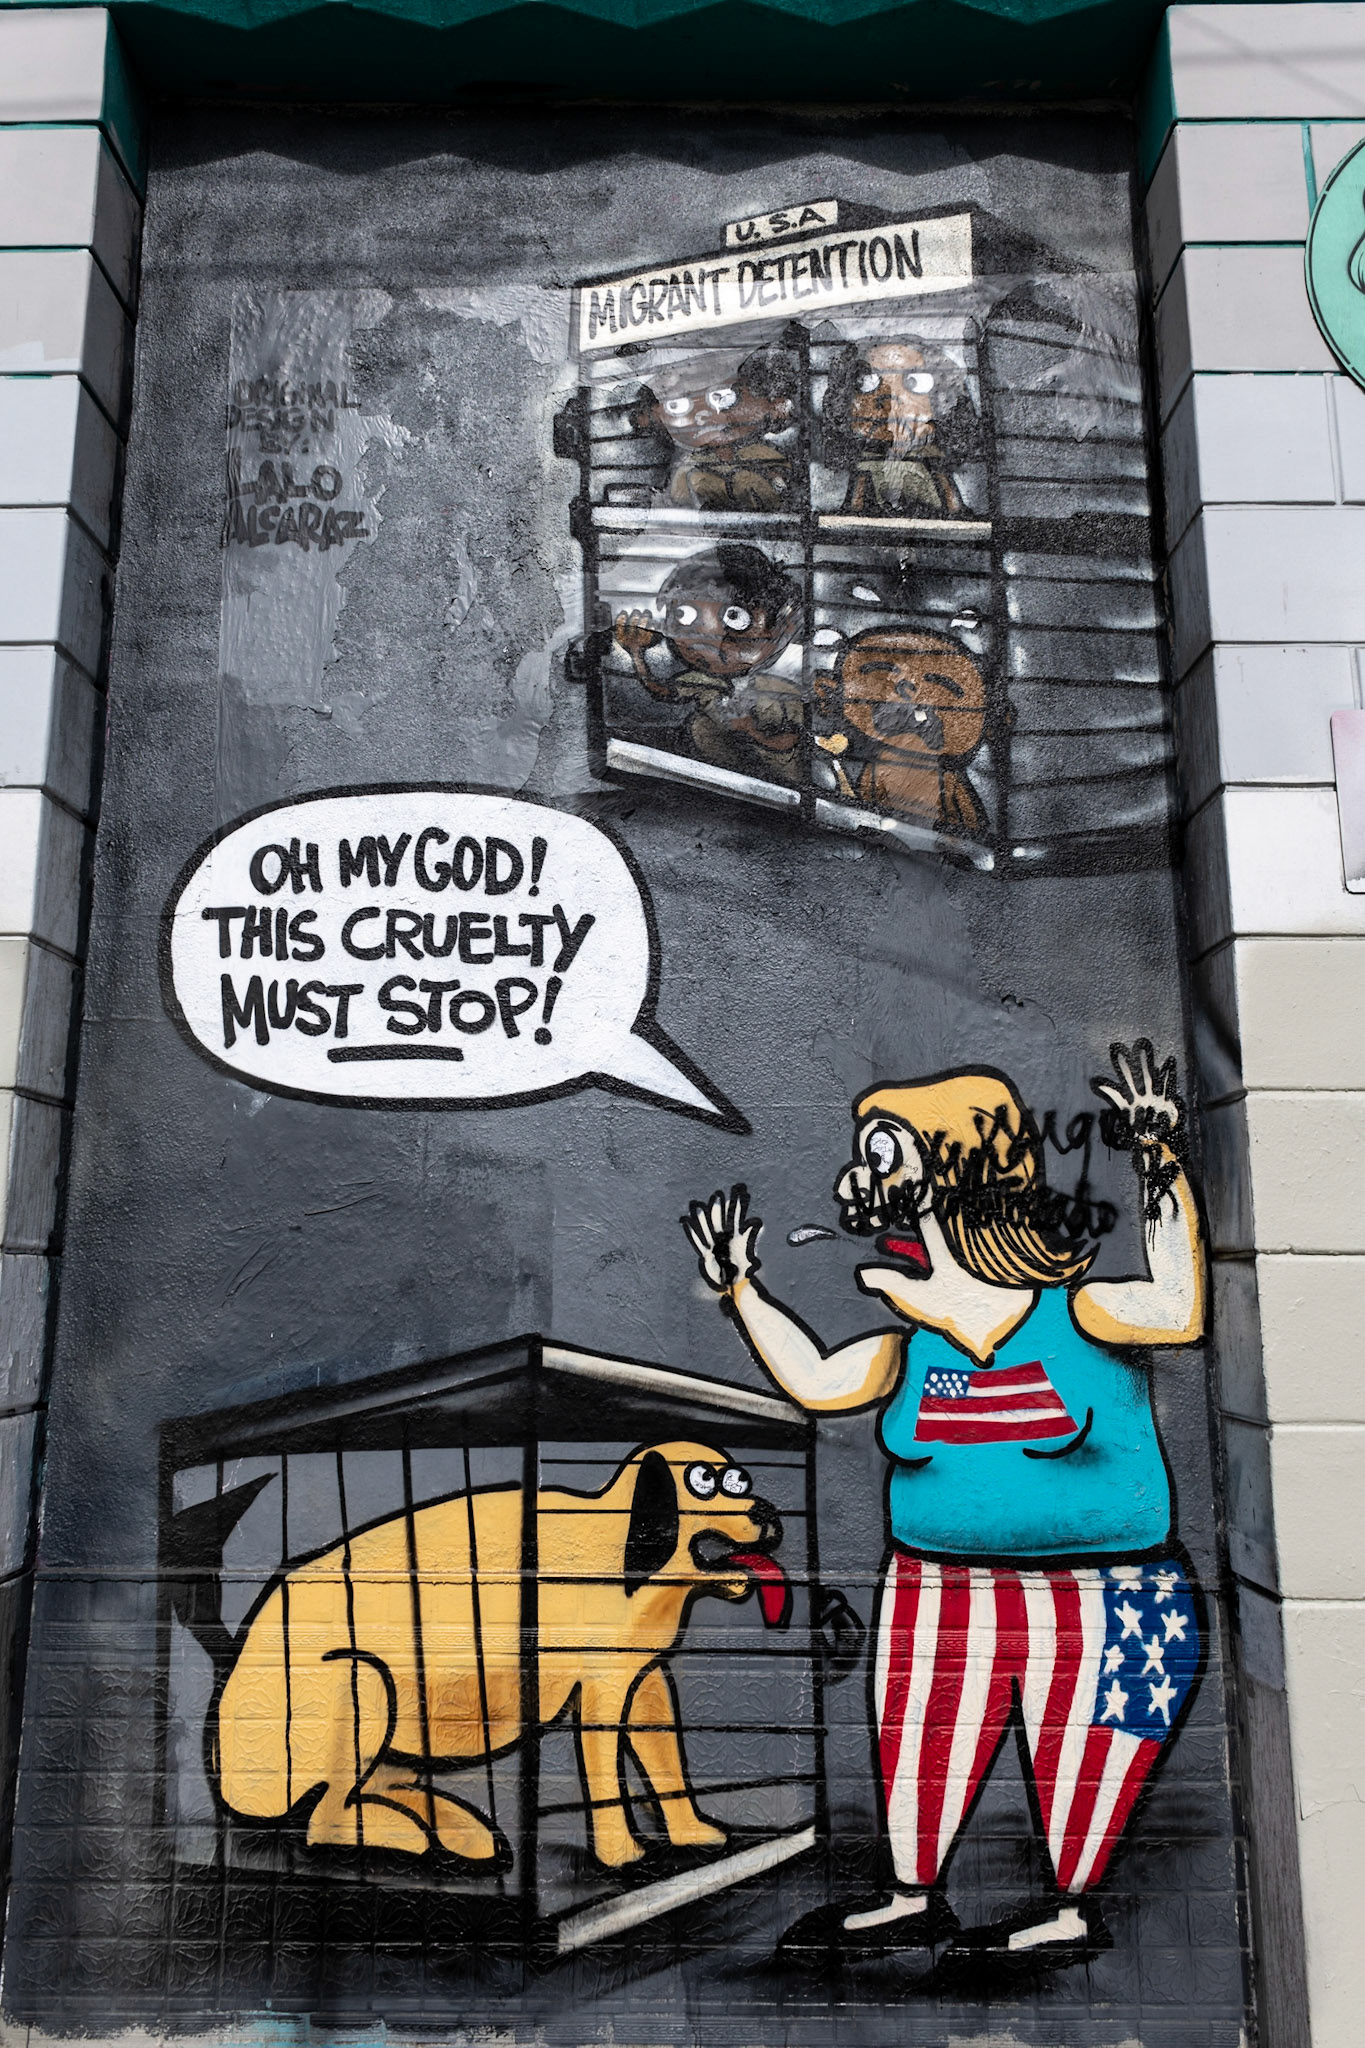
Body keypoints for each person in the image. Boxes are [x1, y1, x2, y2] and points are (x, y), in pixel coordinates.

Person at [682, 1043, 1206, 1970]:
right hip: (938, 1588)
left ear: (953, 1163)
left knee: (1089, 1751)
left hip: (1111, 1593)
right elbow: (817, 1381)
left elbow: (1178, 1308)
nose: (860, 1175)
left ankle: (1067, 1910)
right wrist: (741, 1291)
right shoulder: (909, 1346)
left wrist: (1157, 1156)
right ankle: (910, 1898)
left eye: (883, 1152)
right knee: (923, 1740)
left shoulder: (1078, 1314)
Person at [613, 544, 805, 786]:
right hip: (709, 771)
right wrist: (636, 653)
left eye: (735, 619)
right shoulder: (700, 682)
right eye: (684, 615)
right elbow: (660, 690)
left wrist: (760, 736)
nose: (705, 644)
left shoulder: (783, 691)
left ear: (783, 627)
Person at [631, 347, 798, 512]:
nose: (703, 416)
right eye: (676, 407)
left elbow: (782, 482)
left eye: (723, 398)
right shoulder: (687, 471)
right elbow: (682, 505)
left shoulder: (762, 452)